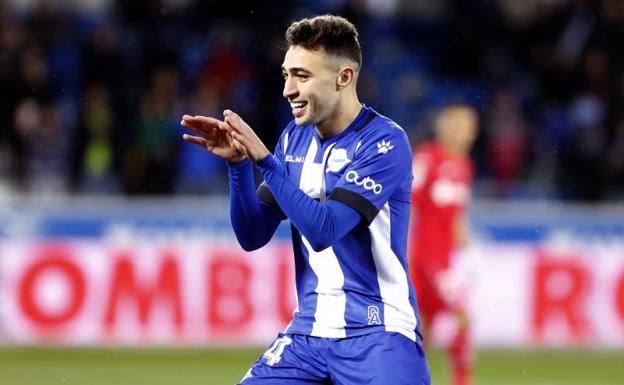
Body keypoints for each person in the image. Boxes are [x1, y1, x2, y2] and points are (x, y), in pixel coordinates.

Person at [180, 14, 430, 385]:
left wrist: (265, 161)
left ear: (343, 78)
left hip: (378, 334)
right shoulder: (294, 140)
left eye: (303, 76)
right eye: (286, 75)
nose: (288, 89)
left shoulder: (384, 143)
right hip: (307, 336)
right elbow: (253, 235)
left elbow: (324, 229)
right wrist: (238, 165)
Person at [409, 104, 478, 385]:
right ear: (443, 127)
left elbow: (456, 216)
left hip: (445, 260)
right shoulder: (427, 158)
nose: (463, 133)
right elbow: (407, 205)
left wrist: (468, 250)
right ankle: (462, 379)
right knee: (462, 316)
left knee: (424, 330)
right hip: (424, 257)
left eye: (469, 128)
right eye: (458, 126)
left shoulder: (465, 166)